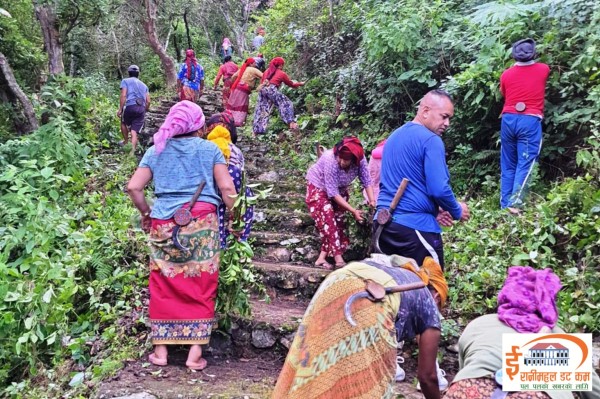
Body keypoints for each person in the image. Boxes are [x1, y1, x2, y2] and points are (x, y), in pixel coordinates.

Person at [126, 100, 236, 370]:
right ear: (198, 126)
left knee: (163, 282)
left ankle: (161, 352)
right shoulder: (210, 149)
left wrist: (146, 212)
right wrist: (232, 215)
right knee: (202, 283)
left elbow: (134, 187)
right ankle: (194, 354)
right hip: (202, 222)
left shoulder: (156, 150)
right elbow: (227, 188)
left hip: (164, 223)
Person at [272, 253, 448, 399]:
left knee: (318, 362)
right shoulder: (428, 302)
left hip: (335, 282)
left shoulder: (397, 273)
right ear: (437, 297)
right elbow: (427, 377)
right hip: (370, 301)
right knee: (367, 382)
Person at [446, 266, 600, 399]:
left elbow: (468, 368)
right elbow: (595, 392)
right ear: (547, 303)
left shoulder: (479, 324)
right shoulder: (560, 338)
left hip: (468, 390)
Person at [375, 90, 470, 269]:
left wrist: (434, 210)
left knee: (396, 289)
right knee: (432, 289)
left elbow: (407, 183)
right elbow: (439, 189)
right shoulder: (431, 140)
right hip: (413, 230)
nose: (447, 123)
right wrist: (457, 210)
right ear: (425, 111)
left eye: (449, 118)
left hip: (383, 227)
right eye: (444, 116)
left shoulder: (395, 137)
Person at [306, 136, 375, 269]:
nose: (342, 162)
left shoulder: (360, 161)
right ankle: (338, 259)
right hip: (318, 186)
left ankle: (321, 258)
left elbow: (366, 181)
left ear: (353, 160)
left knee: (339, 221)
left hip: (340, 188)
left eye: (346, 160)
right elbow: (332, 192)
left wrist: (372, 201)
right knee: (328, 218)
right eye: (340, 158)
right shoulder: (330, 159)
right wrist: (353, 211)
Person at [499, 38, 550, 215]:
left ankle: (505, 205)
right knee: (526, 163)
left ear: (513, 55)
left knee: (508, 164)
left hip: (508, 119)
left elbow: (504, 93)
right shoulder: (543, 69)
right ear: (534, 53)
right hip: (529, 120)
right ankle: (515, 205)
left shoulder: (506, 74)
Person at [206, 125, 254, 247]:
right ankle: (240, 242)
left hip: (212, 182)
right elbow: (241, 170)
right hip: (234, 180)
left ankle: (219, 245)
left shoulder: (207, 147)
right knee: (245, 202)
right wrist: (236, 215)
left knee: (218, 210)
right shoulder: (235, 149)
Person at [253, 57, 305, 136]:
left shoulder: (266, 71)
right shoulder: (281, 73)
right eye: (283, 65)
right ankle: (291, 123)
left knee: (262, 109)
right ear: (280, 65)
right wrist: (300, 83)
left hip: (262, 90)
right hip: (271, 90)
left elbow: (262, 82)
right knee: (286, 103)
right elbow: (291, 84)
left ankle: (256, 131)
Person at [117, 65, 150, 155]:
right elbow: (148, 101)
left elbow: (123, 95)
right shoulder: (144, 85)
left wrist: (120, 109)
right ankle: (132, 153)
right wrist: (145, 109)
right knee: (134, 131)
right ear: (138, 74)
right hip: (141, 108)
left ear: (129, 73)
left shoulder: (125, 81)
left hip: (130, 106)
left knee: (123, 122)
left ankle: (126, 141)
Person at [226, 58, 263, 127]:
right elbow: (263, 76)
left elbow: (234, 76)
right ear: (251, 64)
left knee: (233, 104)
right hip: (243, 89)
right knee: (241, 105)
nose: (255, 64)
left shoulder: (242, 69)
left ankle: (229, 119)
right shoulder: (253, 70)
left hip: (236, 87)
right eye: (254, 63)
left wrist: (233, 83)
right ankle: (238, 122)